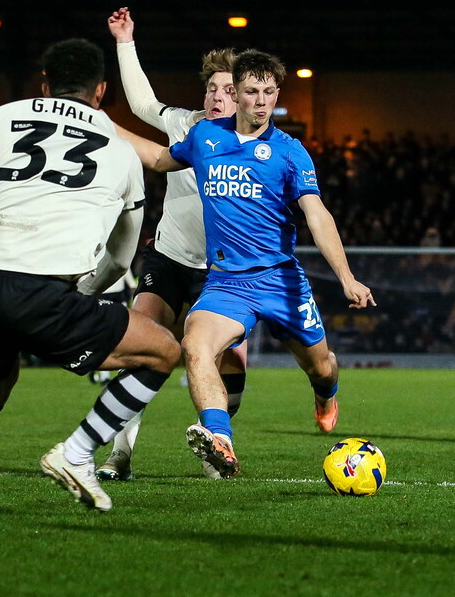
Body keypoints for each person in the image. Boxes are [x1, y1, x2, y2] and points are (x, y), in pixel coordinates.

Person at [0, 37, 181, 513]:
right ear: (101, 90)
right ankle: (76, 453)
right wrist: (84, 293)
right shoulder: (119, 148)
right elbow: (119, 257)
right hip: (42, 291)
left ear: (44, 85)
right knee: (162, 351)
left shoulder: (2, 117)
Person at [117, 46, 375, 478]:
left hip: (280, 281)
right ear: (236, 93)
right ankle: (221, 440)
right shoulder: (205, 138)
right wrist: (105, 125)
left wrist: (346, 277)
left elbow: (317, 214)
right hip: (226, 284)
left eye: (269, 92)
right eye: (253, 91)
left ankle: (326, 394)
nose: (261, 101)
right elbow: (160, 160)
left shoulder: (290, 151)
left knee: (322, 364)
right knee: (195, 346)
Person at [96, 6, 248, 483]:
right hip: (168, 259)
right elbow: (142, 104)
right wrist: (125, 40)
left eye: (228, 89)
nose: (217, 96)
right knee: (140, 343)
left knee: (230, 367)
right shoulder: (187, 124)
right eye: (212, 88)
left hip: (223, 273)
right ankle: (119, 456)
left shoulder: (260, 145)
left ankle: (215, 445)